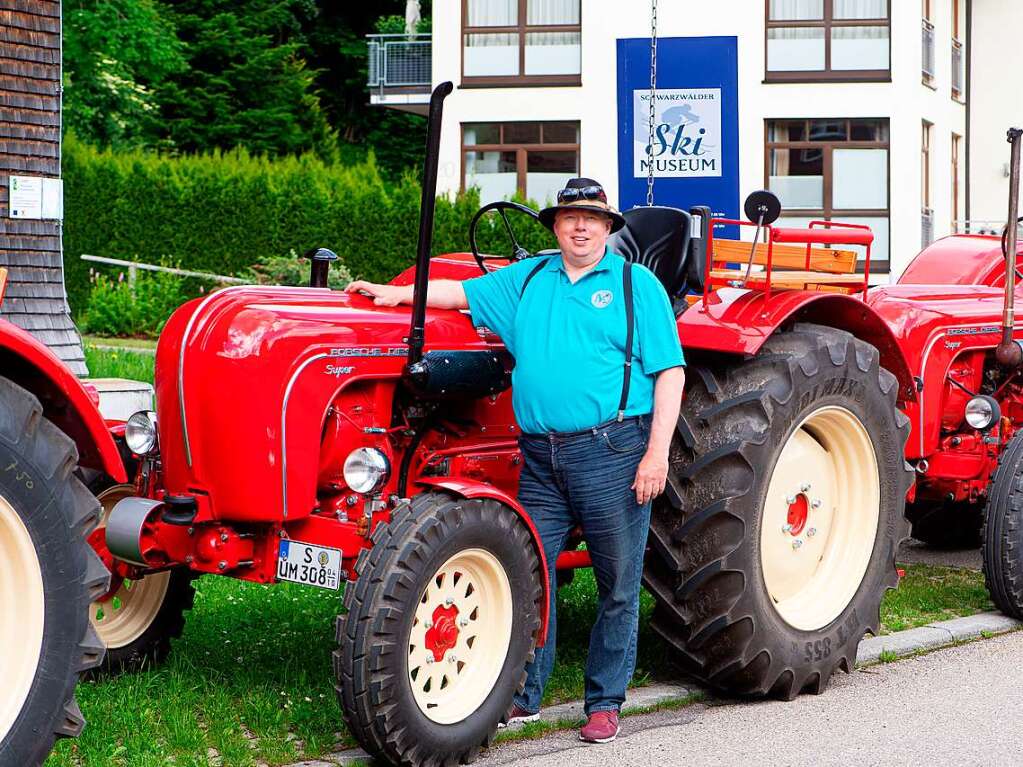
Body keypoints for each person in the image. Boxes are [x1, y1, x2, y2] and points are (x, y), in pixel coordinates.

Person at [346, 177, 686, 744]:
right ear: (555, 226)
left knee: (618, 583)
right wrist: (397, 294)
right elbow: (459, 294)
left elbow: (670, 372)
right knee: (531, 575)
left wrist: (656, 455)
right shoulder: (530, 278)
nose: (581, 227)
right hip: (541, 456)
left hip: (613, 451)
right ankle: (525, 694)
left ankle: (604, 702)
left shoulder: (635, 285)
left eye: (592, 219)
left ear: (608, 228)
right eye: (571, 217)